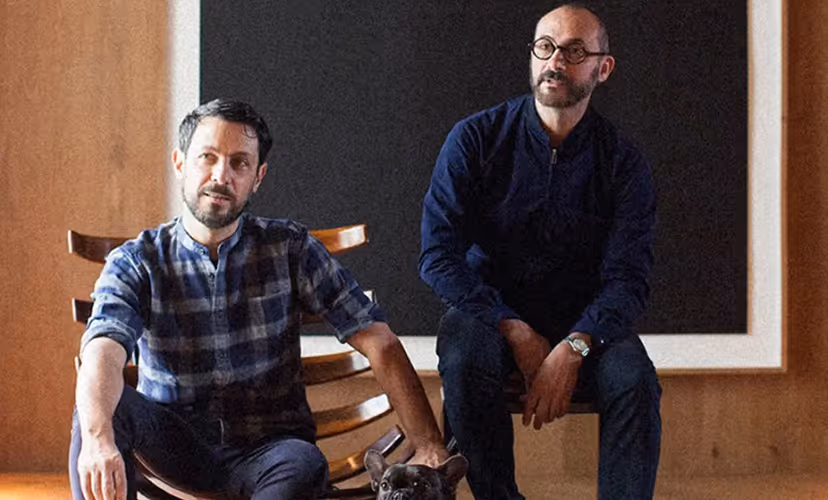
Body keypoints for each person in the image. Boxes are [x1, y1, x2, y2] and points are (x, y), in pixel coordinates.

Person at [70, 98, 449, 500]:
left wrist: (427, 442)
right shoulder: (136, 260)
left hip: (273, 453)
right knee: (95, 415)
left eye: (239, 163)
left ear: (258, 176)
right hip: (174, 446)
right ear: (181, 163)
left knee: (303, 463)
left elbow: (379, 340)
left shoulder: (291, 248)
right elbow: (104, 351)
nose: (221, 175)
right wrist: (98, 440)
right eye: (207, 157)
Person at [419, 3, 661, 499]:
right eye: (545, 47)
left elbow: (629, 280)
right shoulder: (474, 139)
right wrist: (512, 327)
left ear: (603, 67)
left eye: (575, 52)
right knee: (463, 357)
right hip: (488, 317)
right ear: (532, 55)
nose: (555, 62)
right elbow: (437, 255)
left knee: (635, 379)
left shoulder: (623, 162)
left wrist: (574, 346)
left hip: (585, 322)